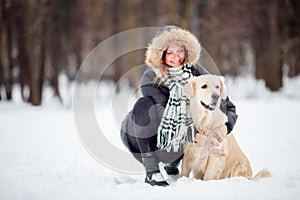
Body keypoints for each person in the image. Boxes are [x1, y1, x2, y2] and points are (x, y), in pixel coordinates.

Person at [120, 25, 238, 186]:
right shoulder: (150, 77)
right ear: (160, 53)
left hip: (181, 141)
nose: (176, 57)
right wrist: (198, 137)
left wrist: (224, 128)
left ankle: (172, 163)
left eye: (180, 51)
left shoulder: (196, 72)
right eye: (169, 52)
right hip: (142, 137)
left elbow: (228, 107)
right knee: (143, 104)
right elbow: (165, 117)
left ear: (187, 51)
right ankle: (152, 172)